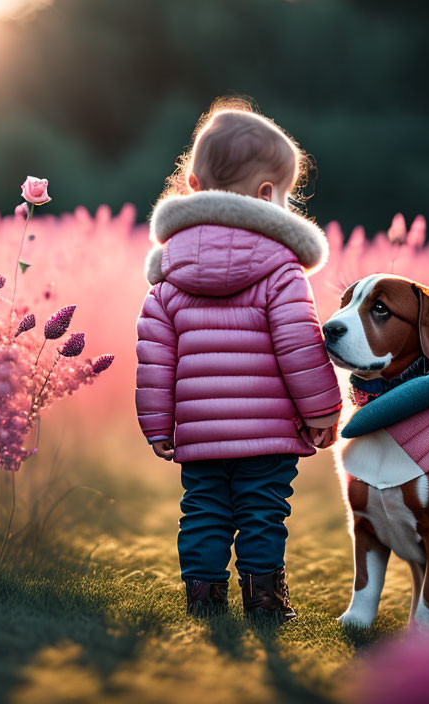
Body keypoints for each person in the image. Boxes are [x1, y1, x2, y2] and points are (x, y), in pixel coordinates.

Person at [135, 99, 341, 621]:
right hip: (267, 431)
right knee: (263, 511)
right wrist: (322, 411)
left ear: (194, 182)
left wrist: (158, 425)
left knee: (203, 509)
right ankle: (265, 601)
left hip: (201, 433)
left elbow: (155, 359)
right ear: (268, 195)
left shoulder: (167, 276)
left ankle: (202, 600)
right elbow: (299, 347)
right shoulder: (281, 270)